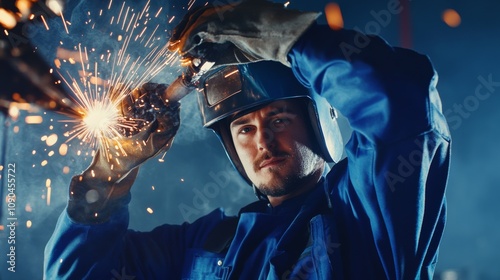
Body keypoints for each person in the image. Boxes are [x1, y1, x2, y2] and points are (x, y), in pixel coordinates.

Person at [44, 0, 451, 279]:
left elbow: (401, 103)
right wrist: (106, 176)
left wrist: (289, 38)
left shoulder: (371, 209)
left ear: (318, 121)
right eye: (244, 129)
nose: (263, 141)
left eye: (278, 120)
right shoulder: (204, 247)